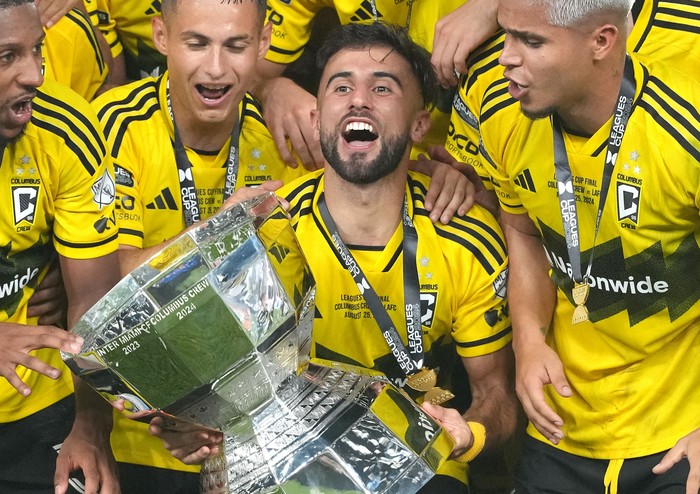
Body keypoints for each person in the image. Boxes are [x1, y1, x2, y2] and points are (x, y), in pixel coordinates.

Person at [153, 21, 517, 492]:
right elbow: (212, 382)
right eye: (341, 86)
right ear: (318, 118)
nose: (358, 99)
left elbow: (497, 395)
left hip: (416, 463)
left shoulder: (463, 237)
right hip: (285, 463)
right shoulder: (266, 230)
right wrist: (193, 428)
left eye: (382, 87)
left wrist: (471, 432)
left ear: (419, 125)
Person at [478, 0, 700, 492]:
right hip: (561, 428)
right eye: (505, 35)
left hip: (680, 436)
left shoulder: (686, 130)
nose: (504, 59)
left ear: (602, 41)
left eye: (531, 42)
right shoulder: (500, 115)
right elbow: (524, 232)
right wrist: (529, 340)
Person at [88, 0, 308, 491]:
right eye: (196, 43)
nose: (215, 68)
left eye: (235, 45)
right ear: (161, 36)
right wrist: (220, 228)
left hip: (260, 439)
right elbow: (99, 286)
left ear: (265, 42)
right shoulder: (112, 127)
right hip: (139, 436)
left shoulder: (283, 136)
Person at [0, 1, 122, 493]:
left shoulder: (66, 128)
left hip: (39, 401)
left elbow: (95, 305)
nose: (34, 74)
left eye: (37, 49)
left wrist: (91, 430)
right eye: (7, 56)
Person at [254, 0, 478, 169]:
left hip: (471, 159)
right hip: (378, 156)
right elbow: (243, 67)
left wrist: (495, 7)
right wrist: (271, 89)